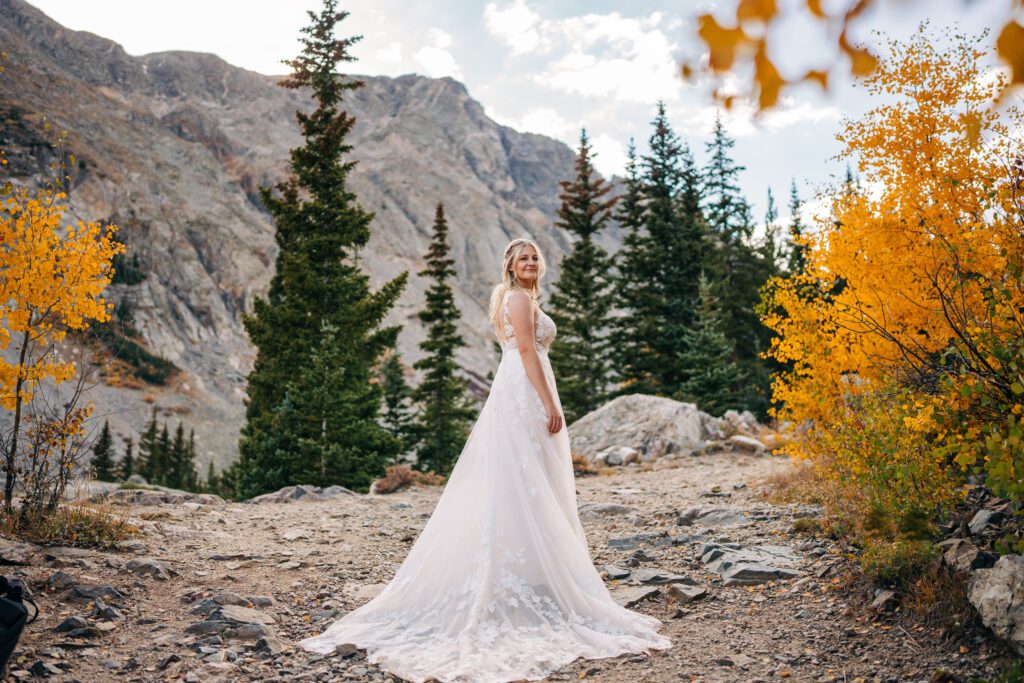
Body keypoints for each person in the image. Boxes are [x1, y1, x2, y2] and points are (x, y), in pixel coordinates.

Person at [299, 237, 671, 682]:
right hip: (525, 391)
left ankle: (534, 569)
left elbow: (528, 351)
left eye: (536, 257)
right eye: (523, 258)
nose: (531, 262)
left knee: (529, 479)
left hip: (519, 387)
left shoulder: (521, 298)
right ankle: (513, 575)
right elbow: (529, 351)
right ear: (511, 267)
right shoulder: (516, 298)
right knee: (524, 475)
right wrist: (550, 401)